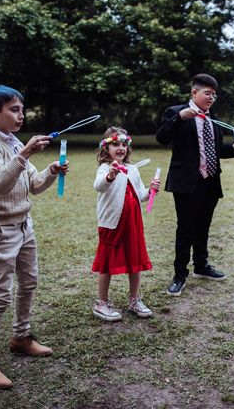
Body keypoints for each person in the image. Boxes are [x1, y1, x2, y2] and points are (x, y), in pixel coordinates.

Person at [0, 85, 69, 389]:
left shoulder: (14, 143)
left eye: (21, 110)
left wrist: (51, 170)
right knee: (1, 294)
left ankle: (21, 337)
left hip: (24, 225)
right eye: (14, 110)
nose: (20, 115)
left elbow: (35, 186)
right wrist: (25, 152)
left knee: (29, 282)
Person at [156, 74, 234, 297]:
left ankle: (201, 266)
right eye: (208, 93)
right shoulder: (175, 112)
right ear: (194, 93)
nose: (212, 98)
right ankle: (179, 274)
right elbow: (162, 137)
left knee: (203, 226)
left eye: (214, 94)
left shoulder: (212, 118)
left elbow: (216, 150)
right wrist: (180, 118)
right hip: (186, 182)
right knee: (185, 228)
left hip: (210, 181)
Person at [92, 126, 160, 321]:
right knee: (106, 261)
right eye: (115, 144)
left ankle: (134, 299)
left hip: (133, 222)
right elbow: (99, 185)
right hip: (112, 223)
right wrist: (110, 176)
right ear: (106, 148)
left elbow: (140, 194)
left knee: (135, 260)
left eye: (124, 144)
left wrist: (150, 191)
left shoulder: (133, 169)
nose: (120, 148)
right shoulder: (105, 168)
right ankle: (102, 302)